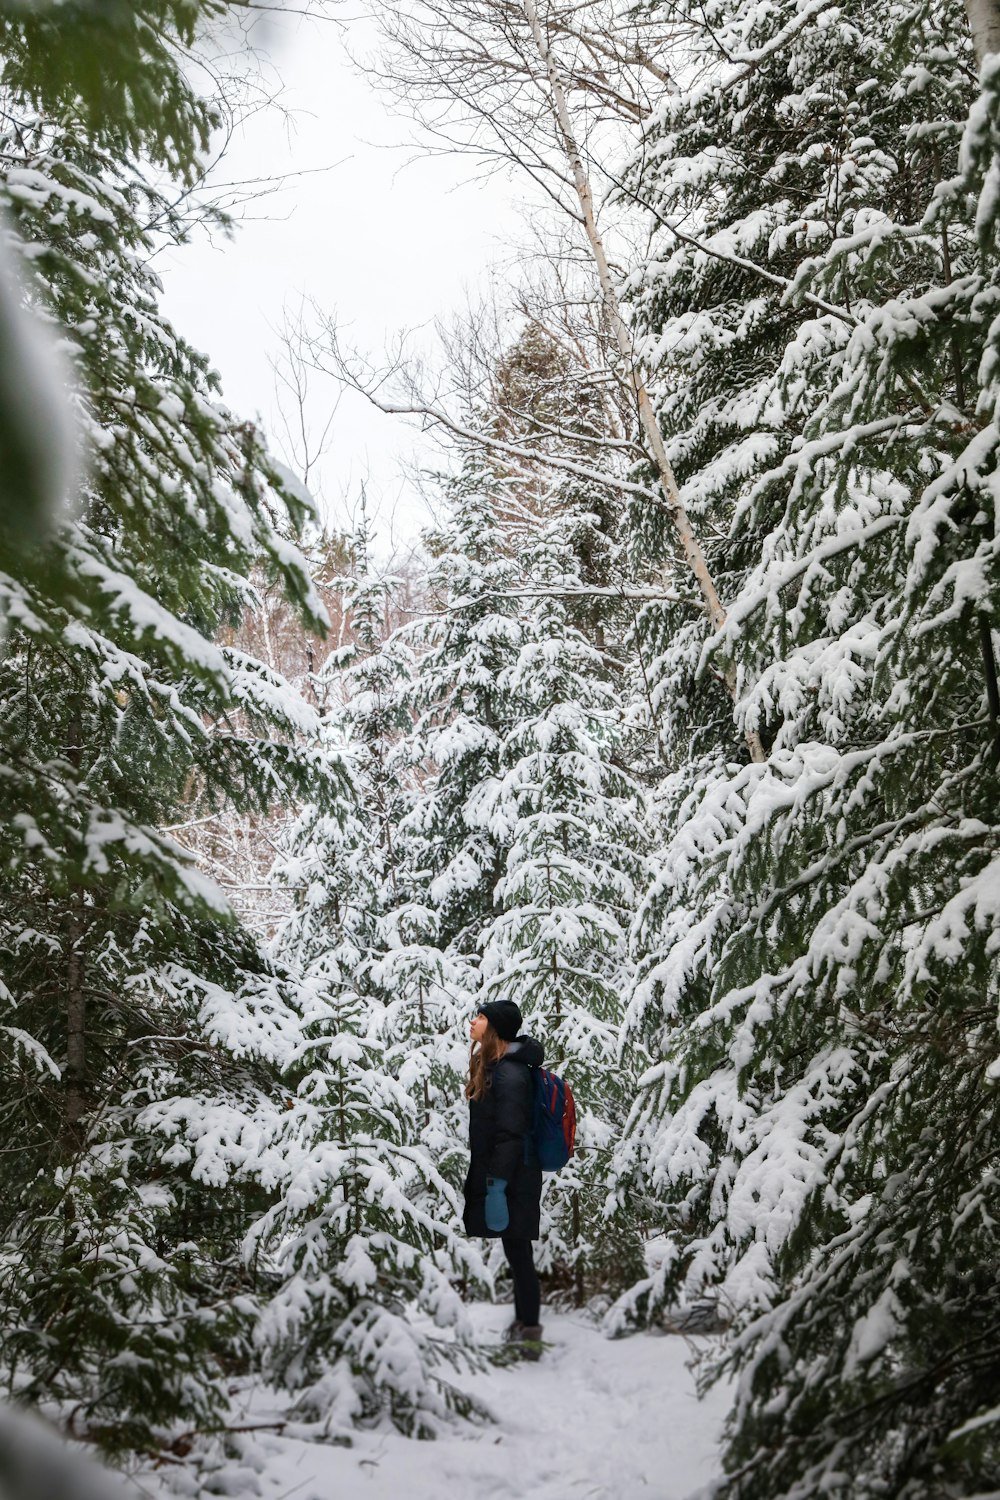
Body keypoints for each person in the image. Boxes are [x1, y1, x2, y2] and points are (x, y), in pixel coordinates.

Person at [463, 999, 545, 1356]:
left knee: (519, 1251)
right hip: (507, 1173)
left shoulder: (510, 1074)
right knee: (516, 1249)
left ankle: (530, 1332)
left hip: (513, 1176)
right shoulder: (496, 1066)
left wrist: (497, 1184)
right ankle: (524, 1321)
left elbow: (511, 1134)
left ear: (495, 1028)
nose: (473, 1022)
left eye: (480, 1018)